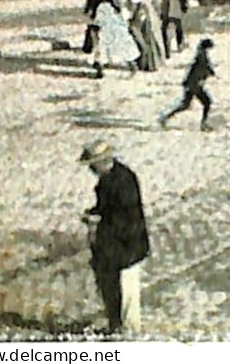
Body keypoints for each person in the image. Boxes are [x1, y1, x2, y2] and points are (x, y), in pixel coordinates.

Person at [79, 140, 149, 334]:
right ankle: (116, 325)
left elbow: (124, 217)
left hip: (127, 246)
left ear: (101, 162)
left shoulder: (121, 182)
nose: (91, 169)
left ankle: (128, 331)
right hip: (114, 246)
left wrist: (98, 221)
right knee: (111, 288)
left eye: (93, 165)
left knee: (127, 292)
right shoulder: (113, 178)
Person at [161, 38, 216, 129]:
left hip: (191, 84)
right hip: (195, 84)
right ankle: (204, 123)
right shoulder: (201, 57)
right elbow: (203, 69)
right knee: (207, 102)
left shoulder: (200, 55)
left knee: (185, 105)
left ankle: (166, 117)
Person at [90, 0, 140, 79]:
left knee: (102, 51)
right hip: (119, 33)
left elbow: (97, 22)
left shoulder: (103, 7)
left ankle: (100, 70)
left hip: (106, 34)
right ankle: (132, 67)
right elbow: (127, 19)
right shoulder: (120, 9)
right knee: (125, 50)